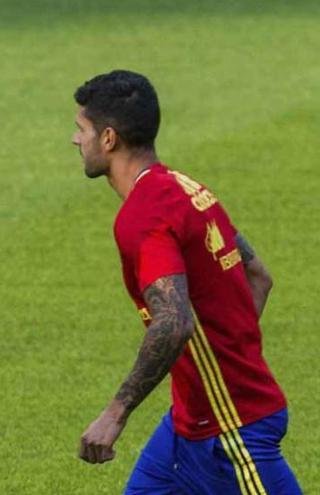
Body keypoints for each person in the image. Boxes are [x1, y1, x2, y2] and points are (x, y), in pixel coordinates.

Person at [72, 70, 301, 494]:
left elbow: (174, 322)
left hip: (232, 428)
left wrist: (115, 413)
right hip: (187, 427)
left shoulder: (142, 218)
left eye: (80, 129)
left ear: (108, 138)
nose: (74, 140)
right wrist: (222, 356)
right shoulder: (188, 188)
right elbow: (258, 277)